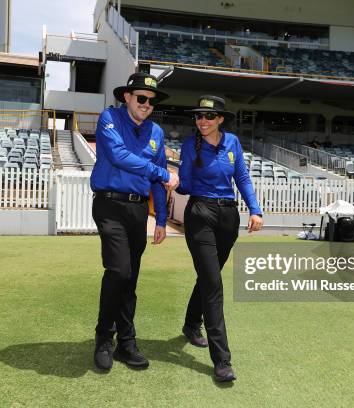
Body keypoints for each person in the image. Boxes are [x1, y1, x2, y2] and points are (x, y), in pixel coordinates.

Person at [90, 72, 180, 371]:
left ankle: (126, 343)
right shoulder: (109, 119)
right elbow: (118, 156)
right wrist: (163, 174)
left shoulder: (155, 132)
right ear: (127, 97)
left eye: (151, 101)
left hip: (138, 211)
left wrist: (161, 220)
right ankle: (104, 338)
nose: (146, 104)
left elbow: (156, 176)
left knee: (129, 280)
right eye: (141, 98)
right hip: (109, 205)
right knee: (118, 270)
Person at [176, 95, 263, 382]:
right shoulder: (190, 145)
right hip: (200, 213)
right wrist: (176, 181)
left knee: (207, 277)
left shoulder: (233, 143)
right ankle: (222, 360)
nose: (203, 121)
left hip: (228, 217)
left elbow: (242, 178)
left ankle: (190, 325)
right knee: (213, 284)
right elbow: (186, 185)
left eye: (209, 116)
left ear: (221, 119)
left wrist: (255, 209)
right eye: (199, 116)